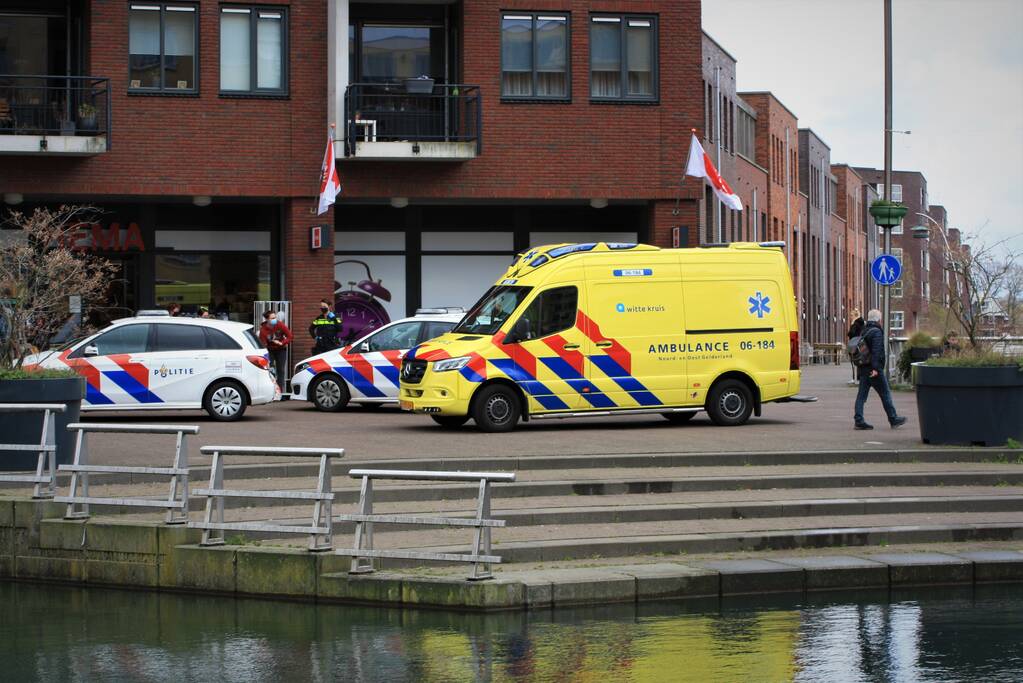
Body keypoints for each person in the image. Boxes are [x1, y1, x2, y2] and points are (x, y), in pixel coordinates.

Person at [854, 308, 907, 430]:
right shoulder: (876, 332)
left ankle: (858, 420)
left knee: (861, 396)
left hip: (863, 368)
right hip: (873, 370)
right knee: (885, 393)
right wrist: (876, 369)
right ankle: (893, 419)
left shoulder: (864, 331)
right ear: (879, 320)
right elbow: (877, 352)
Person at [259, 310, 293, 392]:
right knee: (269, 370)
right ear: (267, 319)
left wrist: (282, 342)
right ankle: (270, 391)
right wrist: (269, 344)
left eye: (275, 317)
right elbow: (263, 345)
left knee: (280, 370)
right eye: (272, 318)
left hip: (281, 350)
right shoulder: (263, 330)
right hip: (270, 350)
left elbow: (290, 336)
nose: (275, 319)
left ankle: (280, 392)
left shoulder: (279, 324)